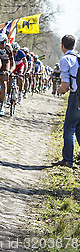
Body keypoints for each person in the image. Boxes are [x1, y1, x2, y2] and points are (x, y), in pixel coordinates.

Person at [52, 34, 80, 168]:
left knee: (69, 127)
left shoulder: (65, 60)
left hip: (77, 97)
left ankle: (68, 159)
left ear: (62, 45)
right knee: (78, 126)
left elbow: (65, 86)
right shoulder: (78, 57)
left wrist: (59, 90)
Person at [0, 33, 15, 116]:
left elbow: (13, 63)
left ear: (6, 42)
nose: (0, 45)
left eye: (2, 43)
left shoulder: (8, 48)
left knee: (4, 83)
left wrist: (9, 71)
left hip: (6, 62)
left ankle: (2, 105)